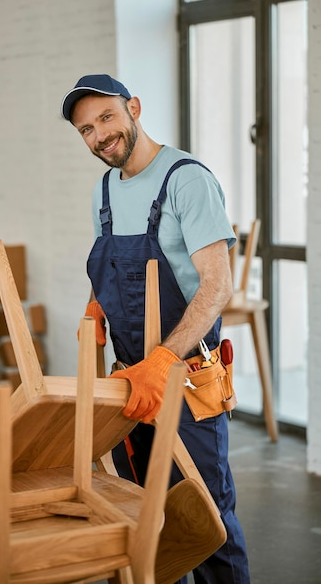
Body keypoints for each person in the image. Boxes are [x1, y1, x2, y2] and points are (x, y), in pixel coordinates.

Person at [61, 74, 250, 584]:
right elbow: (111, 275)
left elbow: (217, 286)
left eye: (106, 117)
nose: (99, 135)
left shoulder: (186, 179)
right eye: (85, 130)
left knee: (206, 521)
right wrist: (94, 308)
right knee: (148, 516)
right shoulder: (104, 188)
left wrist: (163, 360)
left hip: (186, 383)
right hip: (132, 389)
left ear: (134, 108)